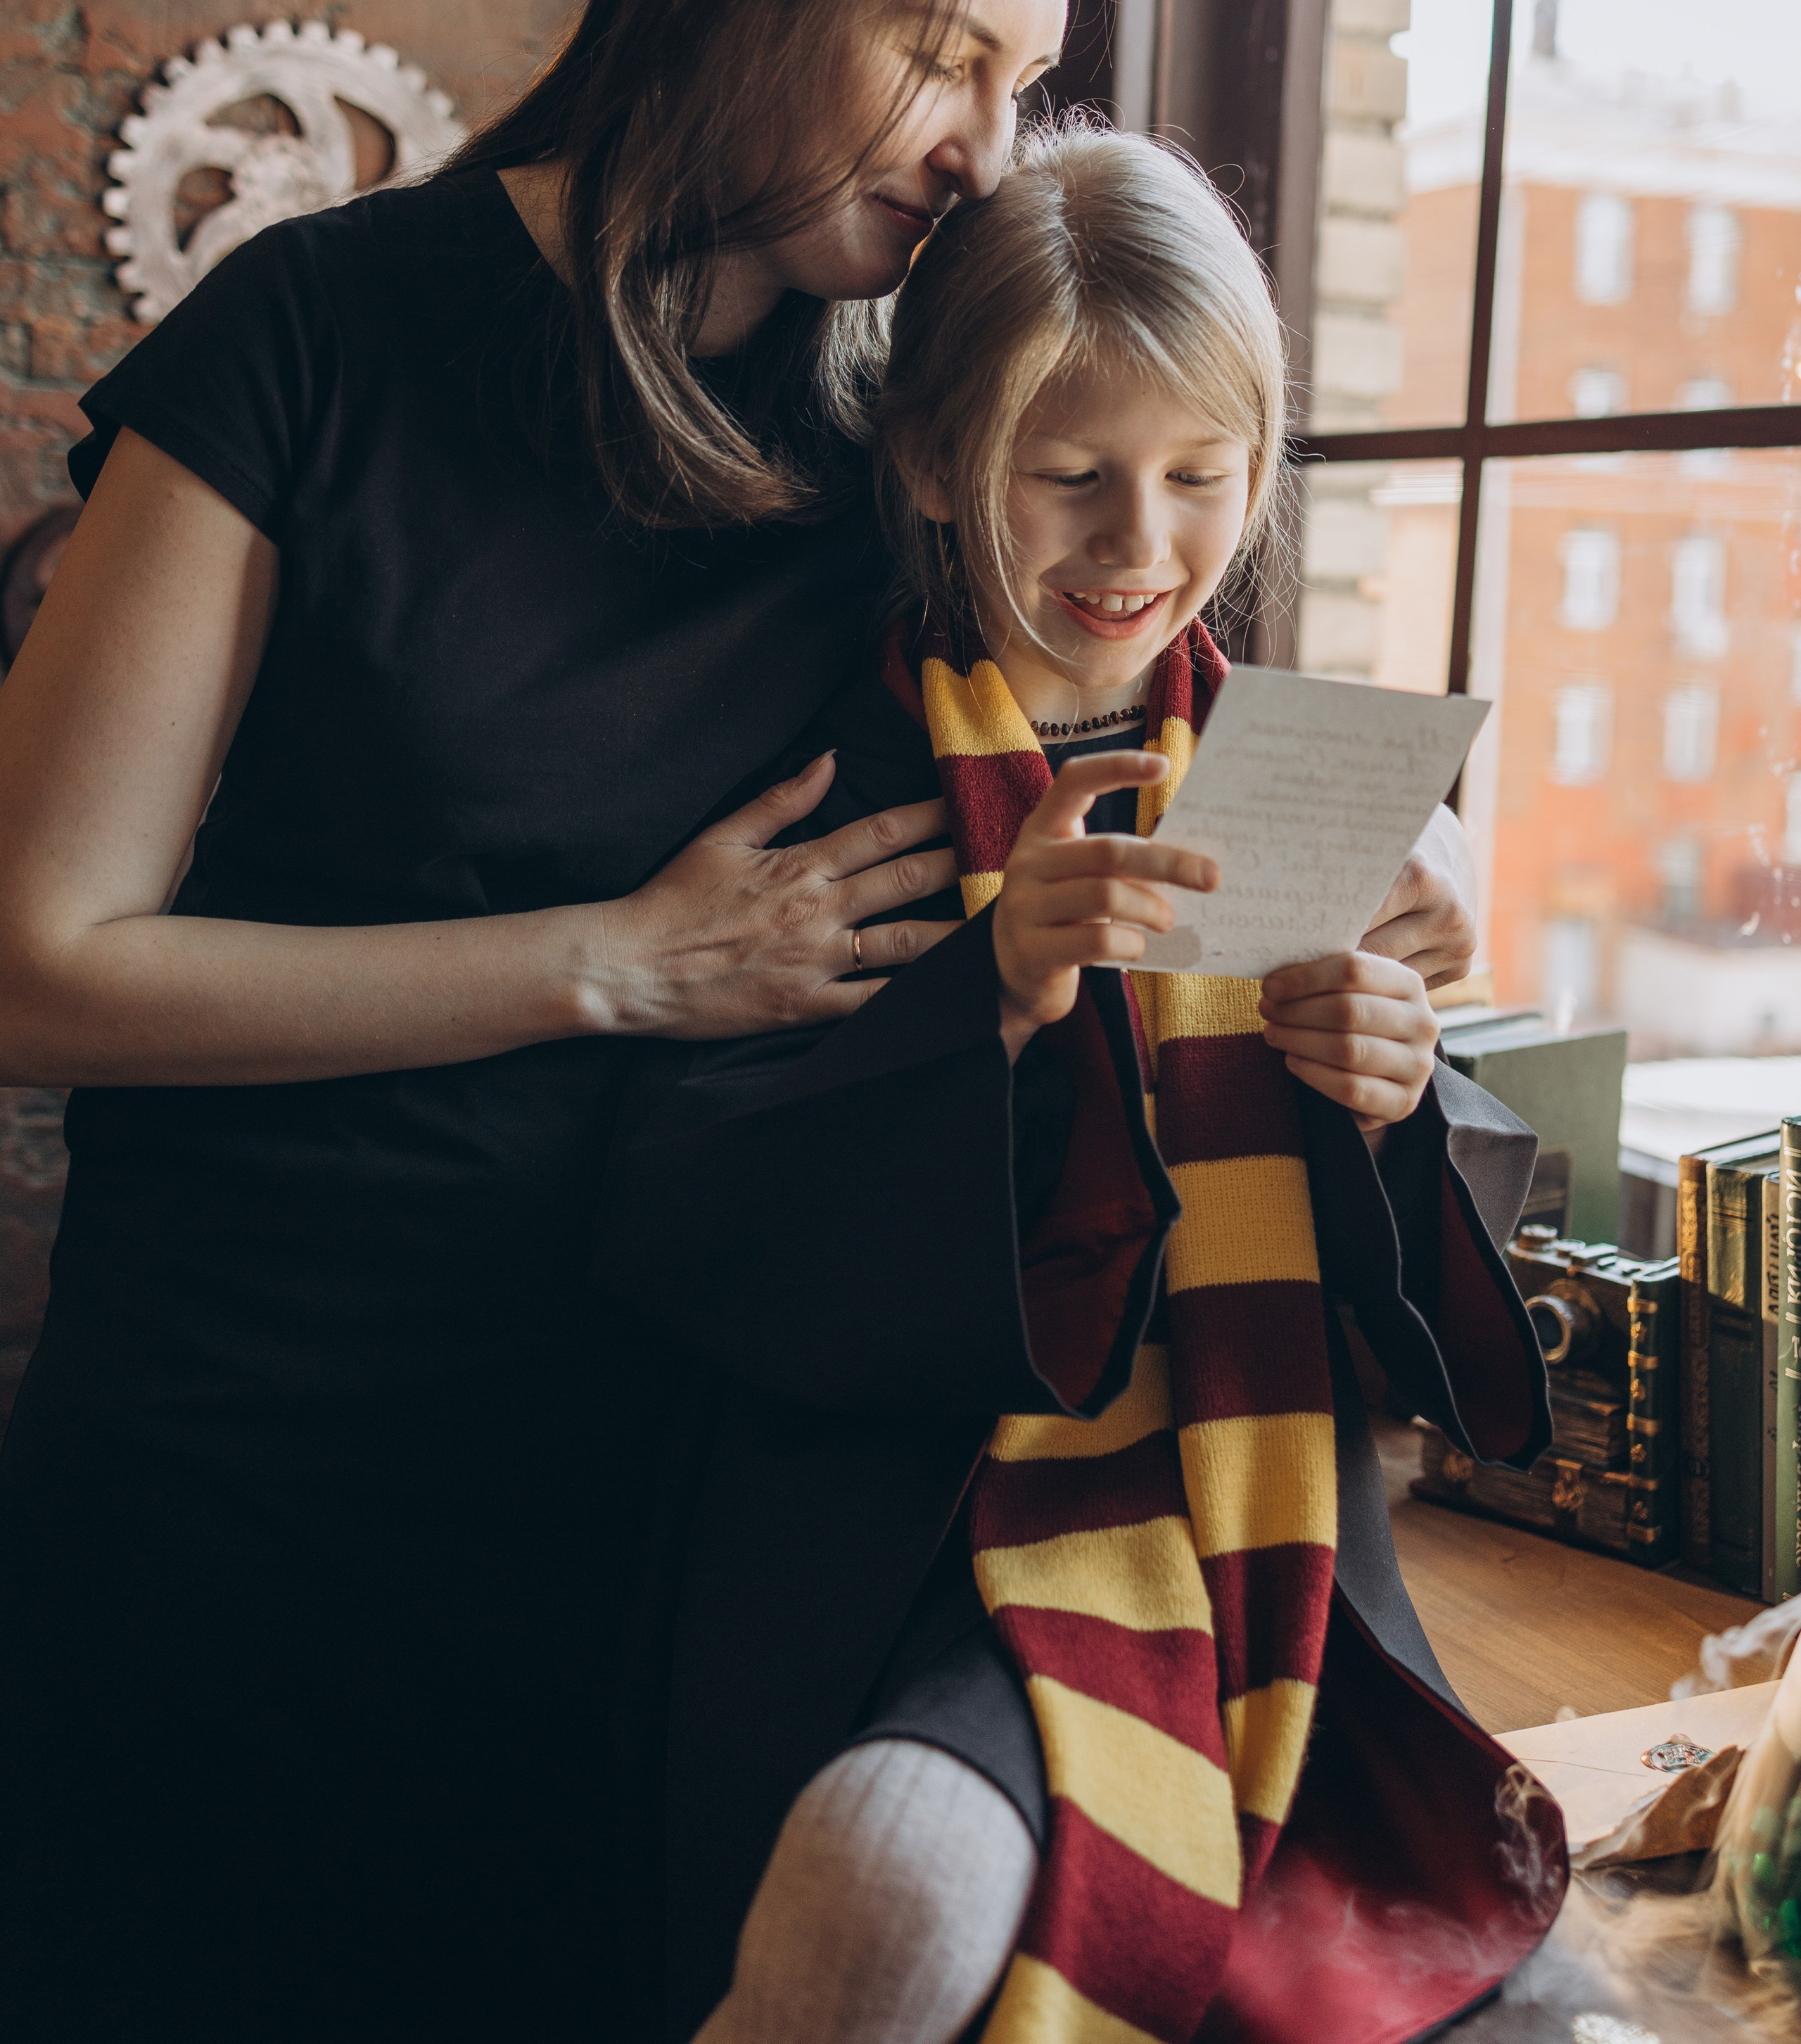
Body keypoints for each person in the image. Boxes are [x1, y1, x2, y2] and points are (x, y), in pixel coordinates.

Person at [0, 0, 1477, 2041]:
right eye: (938, 49)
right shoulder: (311, 341)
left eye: (1020, 79)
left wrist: (1415, 900)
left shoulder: (896, 440)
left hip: (686, 1511)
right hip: (247, 1477)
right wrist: (612, 963)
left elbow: (1153, 694)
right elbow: (31, 962)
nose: (986, 150)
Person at [599, 122, 1564, 2044]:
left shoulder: (1299, 775)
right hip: (933, 1535)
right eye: (1072, 476)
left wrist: (1391, 1093)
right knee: (883, 1891)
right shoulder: (828, 772)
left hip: (1269, 1528)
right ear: (936, 463)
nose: (1140, 548)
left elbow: (1432, 1268)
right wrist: (1003, 991)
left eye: (1202, 478)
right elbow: (688, 1228)